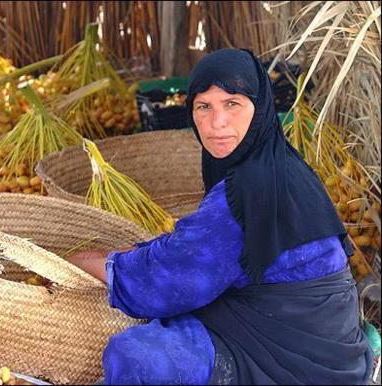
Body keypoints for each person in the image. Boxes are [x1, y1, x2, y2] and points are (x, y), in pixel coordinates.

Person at [66, 48, 373, 385]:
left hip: (295, 357)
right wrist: (138, 251)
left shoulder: (248, 189)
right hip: (330, 341)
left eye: (232, 104)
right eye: (203, 107)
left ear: (259, 109)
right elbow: (201, 247)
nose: (217, 123)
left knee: (136, 355)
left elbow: (171, 281)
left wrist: (92, 264)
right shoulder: (279, 165)